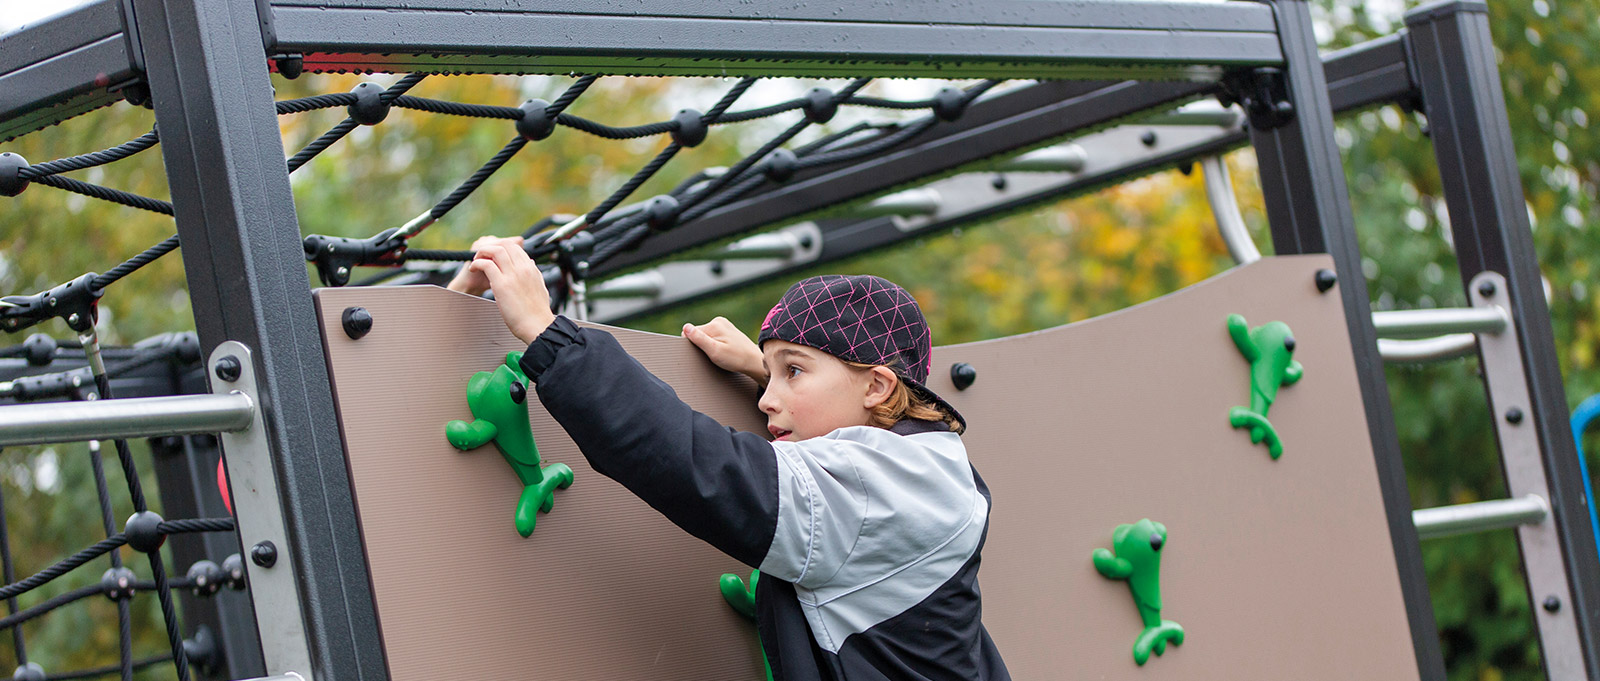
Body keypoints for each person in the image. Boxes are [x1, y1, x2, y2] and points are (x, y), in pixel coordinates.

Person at [450, 236, 1010, 681]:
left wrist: (548, 334)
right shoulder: (931, 469)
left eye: (794, 371)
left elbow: (698, 465)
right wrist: (768, 367)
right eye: (772, 373)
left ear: (877, 388)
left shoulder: (873, 491)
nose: (768, 397)